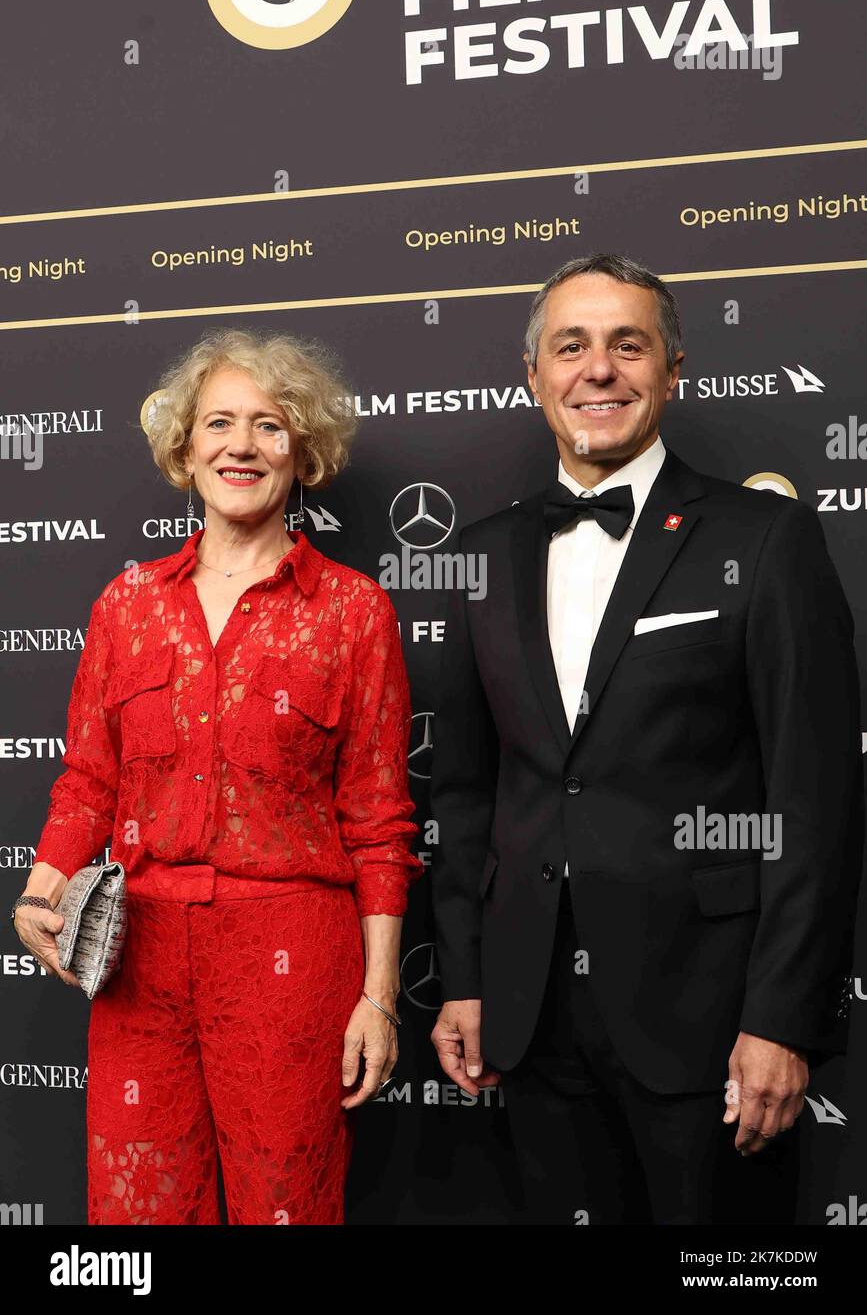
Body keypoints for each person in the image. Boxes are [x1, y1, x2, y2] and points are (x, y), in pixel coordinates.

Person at [428, 253, 864, 1225]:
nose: (599, 370)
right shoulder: (480, 557)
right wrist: (464, 979)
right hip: (531, 1016)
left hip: (710, 1018)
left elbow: (814, 804)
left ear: (674, 370)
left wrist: (781, 1018)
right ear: (532, 374)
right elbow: (466, 791)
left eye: (629, 345)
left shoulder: (765, 538)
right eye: (570, 346)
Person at [12, 327, 423, 1225]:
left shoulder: (353, 612)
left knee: (288, 1206)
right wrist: (41, 891)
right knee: (136, 1215)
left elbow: (379, 818)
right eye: (219, 424)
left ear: (302, 453)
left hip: (290, 958)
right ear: (185, 449)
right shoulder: (126, 606)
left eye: (269, 427)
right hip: (139, 961)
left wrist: (377, 1000)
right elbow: (89, 779)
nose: (241, 445)